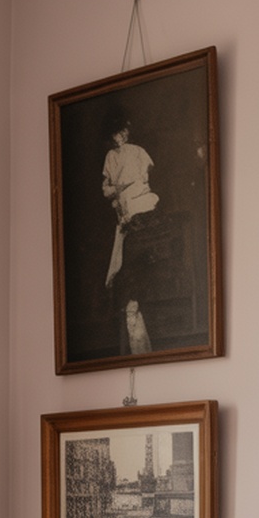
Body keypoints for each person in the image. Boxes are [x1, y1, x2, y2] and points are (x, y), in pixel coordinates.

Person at [101, 116, 160, 351]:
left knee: (135, 277)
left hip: (141, 211)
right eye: (116, 134)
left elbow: (144, 179)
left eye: (123, 132)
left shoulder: (138, 152)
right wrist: (118, 189)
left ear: (127, 132)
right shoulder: (111, 157)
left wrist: (128, 190)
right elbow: (107, 190)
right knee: (120, 273)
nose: (120, 138)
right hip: (125, 217)